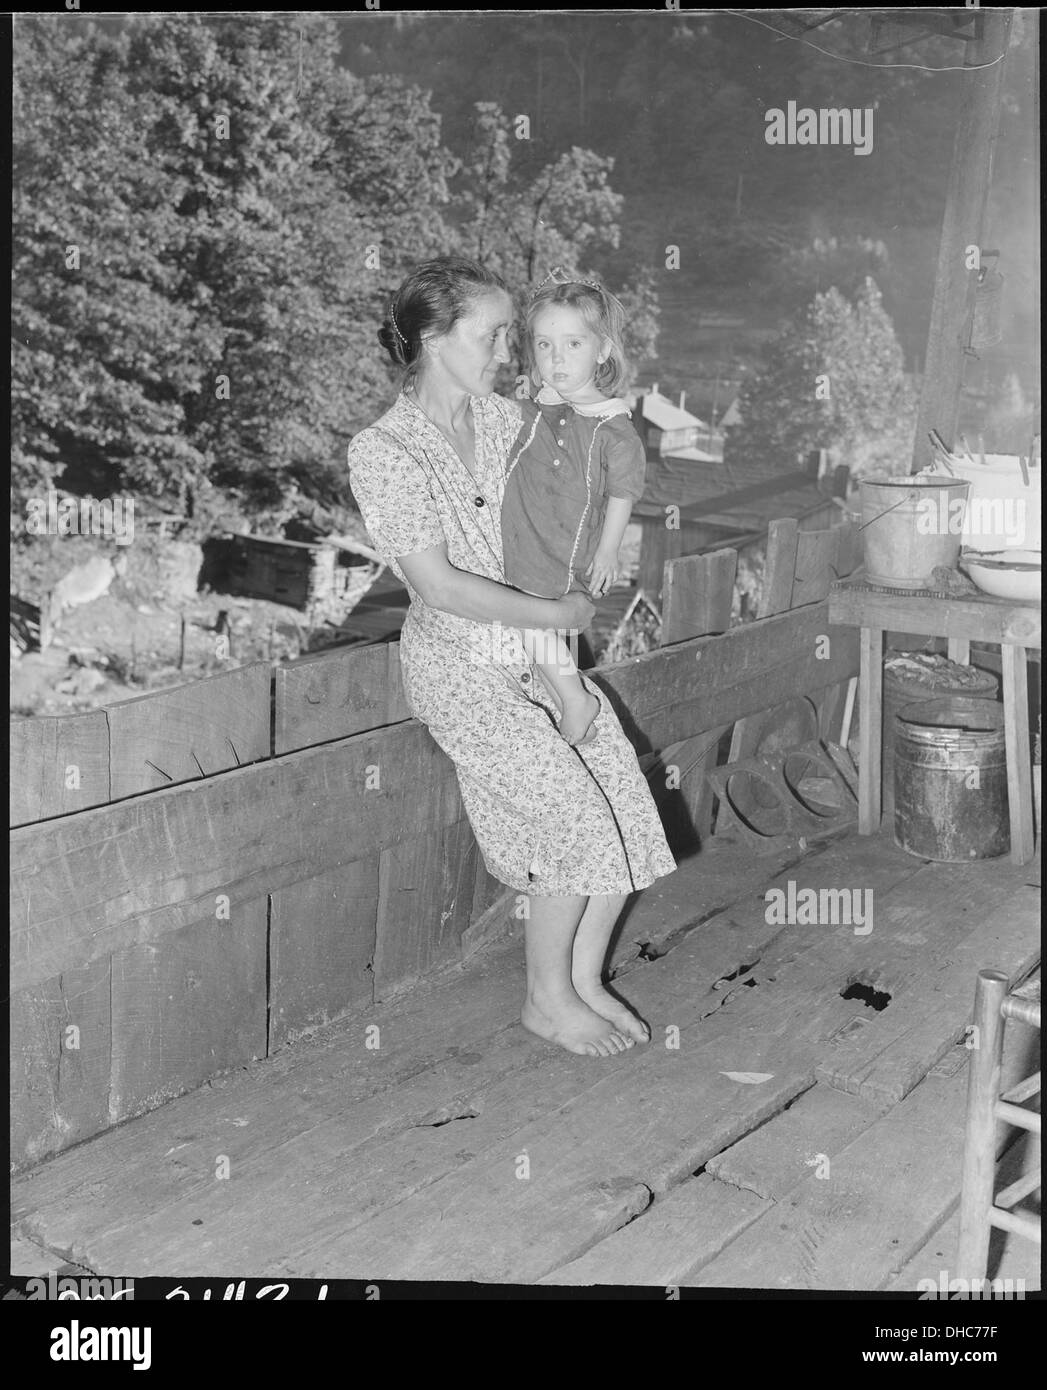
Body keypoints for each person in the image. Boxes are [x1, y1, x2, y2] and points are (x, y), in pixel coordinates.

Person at [346, 256, 676, 1059]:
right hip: (460, 668)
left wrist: (565, 661)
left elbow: (565, 516)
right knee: (570, 818)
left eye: (509, 335)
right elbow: (441, 587)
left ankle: (586, 977)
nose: (508, 351)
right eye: (493, 334)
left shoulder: (509, 422)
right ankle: (545, 997)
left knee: (624, 803)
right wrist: (552, 615)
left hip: (537, 653)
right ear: (432, 339)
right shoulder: (383, 450)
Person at [501, 268, 647, 746]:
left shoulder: (610, 426)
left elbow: (623, 491)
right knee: (522, 620)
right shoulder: (539, 405)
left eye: (573, 345)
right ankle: (557, 690)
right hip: (526, 537)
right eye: (545, 345)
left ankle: (573, 697)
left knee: (529, 617)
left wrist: (609, 552)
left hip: (565, 546)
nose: (556, 358)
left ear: (602, 350)